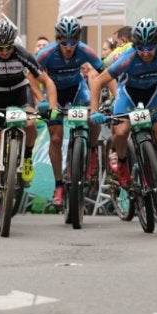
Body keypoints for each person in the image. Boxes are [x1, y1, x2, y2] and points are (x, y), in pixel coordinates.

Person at [89, 18, 157, 205]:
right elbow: (99, 81)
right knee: (121, 132)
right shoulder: (128, 58)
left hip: (154, 92)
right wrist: (94, 110)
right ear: (135, 46)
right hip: (128, 93)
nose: (146, 53)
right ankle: (122, 163)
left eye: (150, 48)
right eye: (142, 48)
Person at [0, 19, 57, 217]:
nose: (4, 52)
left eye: (8, 47)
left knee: (31, 123)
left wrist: (52, 106)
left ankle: (28, 157)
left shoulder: (22, 54)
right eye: (0, 48)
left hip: (19, 93)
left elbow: (47, 81)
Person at [36, 16, 104, 207]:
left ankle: (91, 151)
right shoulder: (46, 53)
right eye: (64, 42)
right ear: (57, 40)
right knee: (56, 138)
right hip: (53, 93)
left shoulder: (85, 51)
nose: (68, 47)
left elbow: (102, 72)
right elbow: (31, 75)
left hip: (76, 90)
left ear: (78, 40)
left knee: (93, 118)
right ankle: (58, 184)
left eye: (72, 42)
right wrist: (41, 100)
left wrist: (98, 103)